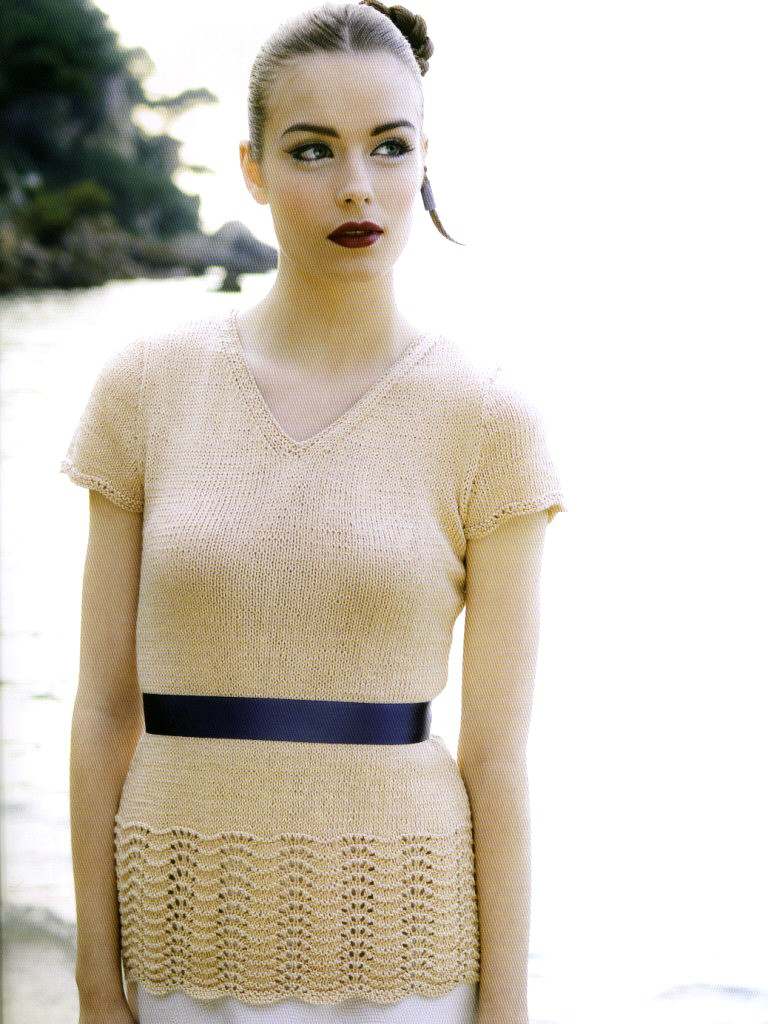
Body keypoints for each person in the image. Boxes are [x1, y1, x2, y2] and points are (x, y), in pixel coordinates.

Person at [63, 3, 567, 1024]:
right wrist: (94, 978)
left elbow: (496, 757)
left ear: (424, 158)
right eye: (312, 149)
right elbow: (105, 711)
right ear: (251, 168)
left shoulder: (489, 420)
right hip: (176, 942)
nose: (356, 186)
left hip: (409, 965)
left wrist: (507, 1008)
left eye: (390, 146)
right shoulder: (146, 388)